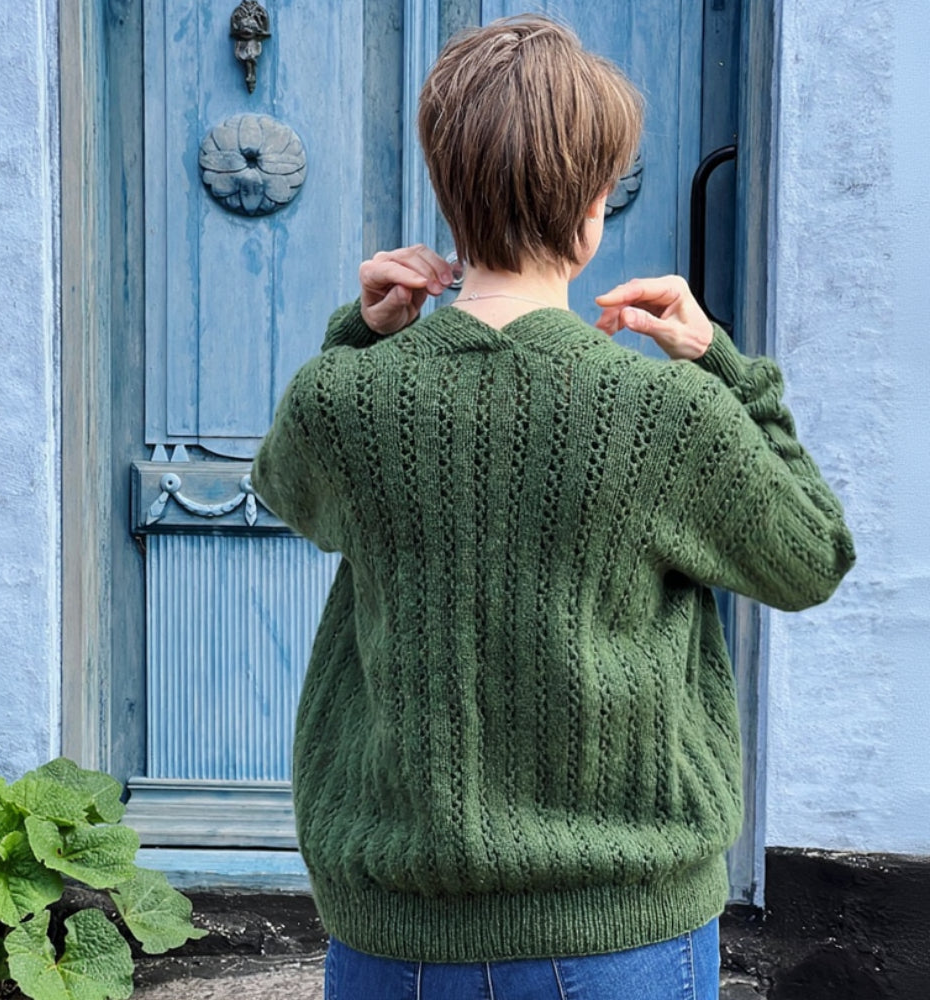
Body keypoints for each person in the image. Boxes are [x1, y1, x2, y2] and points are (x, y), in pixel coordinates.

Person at [252, 15, 855, 1000]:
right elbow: (812, 554)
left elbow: (287, 488)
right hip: (627, 936)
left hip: (399, 940)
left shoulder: (344, 400)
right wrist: (725, 365)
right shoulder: (668, 411)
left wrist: (358, 338)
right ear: (591, 207)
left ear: (447, 190)